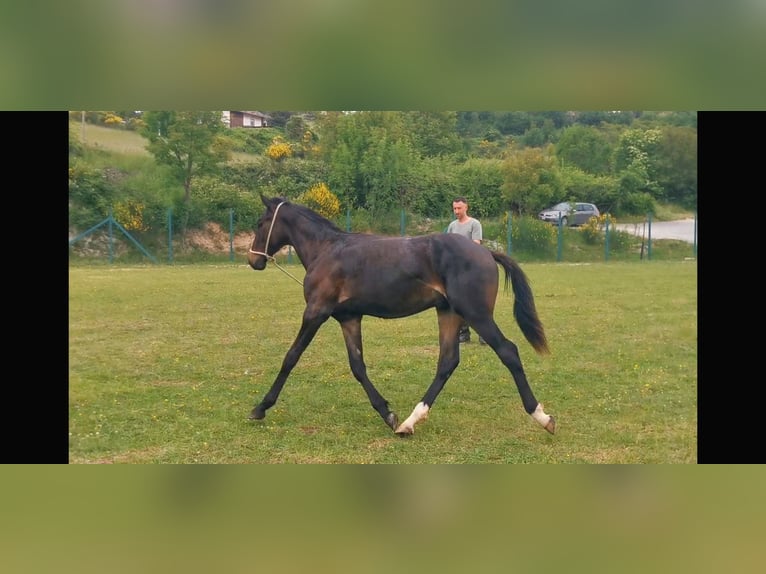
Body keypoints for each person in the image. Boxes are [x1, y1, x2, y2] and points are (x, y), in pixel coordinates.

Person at [446, 196, 485, 344]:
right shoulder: (452, 226)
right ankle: (463, 333)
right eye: (454, 208)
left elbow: (476, 246)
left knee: (477, 302)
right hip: (456, 271)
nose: (456, 211)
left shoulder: (474, 224)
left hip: (471, 269)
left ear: (466, 207)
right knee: (459, 302)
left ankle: (483, 333)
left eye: (459, 208)